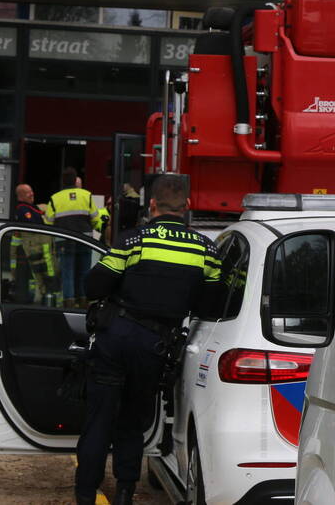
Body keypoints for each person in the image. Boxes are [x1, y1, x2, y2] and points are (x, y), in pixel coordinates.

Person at [74, 175, 222, 505]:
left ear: (152, 205)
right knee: (132, 420)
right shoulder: (206, 249)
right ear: (187, 206)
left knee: (99, 419)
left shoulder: (133, 240)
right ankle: (125, 490)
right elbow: (211, 305)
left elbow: (94, 286)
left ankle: (85, 493)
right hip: (157, 346)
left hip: (116, 338)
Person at [45, 168, 103, 308]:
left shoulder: (55, 198)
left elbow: (48, 223)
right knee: (84, 271)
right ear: (75, 179)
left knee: (67, 272)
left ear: (63, 181)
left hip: (64, 241)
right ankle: (83, 300)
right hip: (85, 239)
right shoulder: (86, 195)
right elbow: (96, 219)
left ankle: (69, 302)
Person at [10, 184, 56, 304]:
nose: (32, 194)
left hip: (38, 251)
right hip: (33, 251)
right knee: (37, 277)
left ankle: (43, 298)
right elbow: (34, 224)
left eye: (32, 191)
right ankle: (36, 301)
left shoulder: (31, 208)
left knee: (42, 277)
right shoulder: (23, 209)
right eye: (28, 193)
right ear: (20, 196)